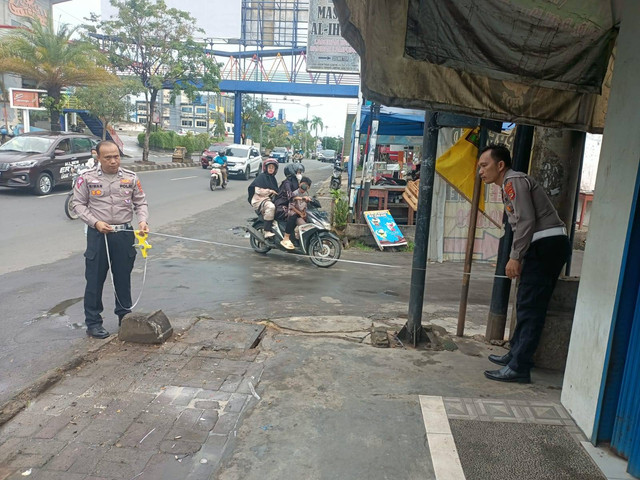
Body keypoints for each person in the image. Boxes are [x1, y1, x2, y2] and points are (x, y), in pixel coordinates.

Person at [478, 144, 570, 383]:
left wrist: (515, 255)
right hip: (544, 246)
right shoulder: (509, 184)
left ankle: (519, 367)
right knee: (525, 303)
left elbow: (526, 220)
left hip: (545, 246)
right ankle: (515, 355)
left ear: (500, 165)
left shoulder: (514, 181)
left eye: (484, 165)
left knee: (530, 306)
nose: (481, 171)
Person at [73, 140, 149, 339]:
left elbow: (140, 202)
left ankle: (124, 318)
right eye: (108, 157)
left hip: (124, 234)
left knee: (123, 278)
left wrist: (142, 222)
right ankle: (93, 323)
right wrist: (95, 222)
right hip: (99, 235)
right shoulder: (86, 179)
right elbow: (78, 205)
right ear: (97, 157)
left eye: (116, 156)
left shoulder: (131, 178)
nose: (113, 161)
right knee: (95, 280)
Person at [249, 158, 279, 238]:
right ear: (265, 168)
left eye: (273, 167)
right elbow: (258, 191)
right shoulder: (261, 177)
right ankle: (267, 231)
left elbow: (277, 190)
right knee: (271, 207)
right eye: (270, 167)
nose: (271, 169)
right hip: (259, 200)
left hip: (267, 199)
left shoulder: (272, 178)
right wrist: (270, 191)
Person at [280, 176, 312, 250]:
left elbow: (305, 207)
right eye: (303, 186)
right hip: (293, 213)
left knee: (305, 225)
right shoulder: (295, 193)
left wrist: (303, 213)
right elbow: (291, 206)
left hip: (299, 215)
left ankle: (297, 240)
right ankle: (286, 237)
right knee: (293, 216)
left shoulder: (307, 195)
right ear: (299, 184)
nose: (303, 189)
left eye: (306, 187)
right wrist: (299, 213)